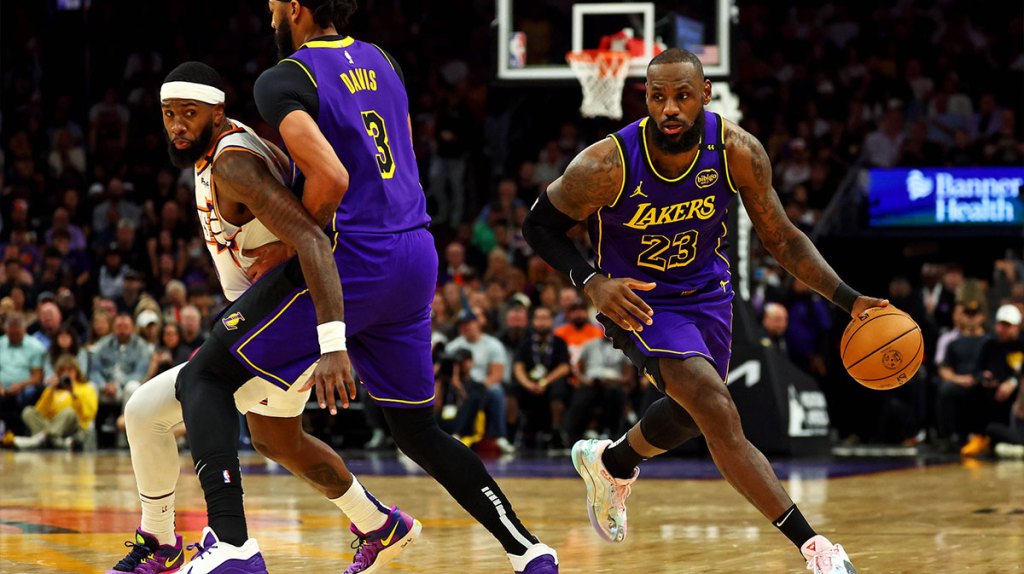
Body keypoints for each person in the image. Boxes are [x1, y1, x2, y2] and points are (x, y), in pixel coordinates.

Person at [522, 48, 887, 574]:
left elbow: (783, 239)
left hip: (709, 294)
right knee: (716, 408)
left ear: (705, 95)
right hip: (639, 300)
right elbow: (539, 226)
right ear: (644, 97)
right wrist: (593, 282)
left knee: (694, 414)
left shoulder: (738, 151)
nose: (669, 107)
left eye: (682, 96)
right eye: (657, 96)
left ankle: (612, 462)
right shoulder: (606, 163)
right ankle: (816, 549)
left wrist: (850, 301)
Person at [236, 2, 556, 572]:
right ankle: (527, 549)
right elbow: (403, 150)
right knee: (417, 429)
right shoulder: (384, 59)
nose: (268, 16)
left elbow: (330, 177)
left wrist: (289, 243)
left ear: (296, 8)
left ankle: (211, 545)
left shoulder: (283, 78)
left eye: (273, 4)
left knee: (212, 370)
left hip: (356, 256)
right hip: (415, 250)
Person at [105, 62, 417, 574]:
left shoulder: (234, 164)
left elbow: (315, 238)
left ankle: (202, 543)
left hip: (280, 328)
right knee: (277, 440)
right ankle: (380, 525)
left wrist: (329, 338)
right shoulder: (220, 151)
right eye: (169, 115)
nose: (178, 125)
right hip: (265, 323)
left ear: (217, 113)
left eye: (189, 113)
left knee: (163, 402)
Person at [8, 354, 97, 450]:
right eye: (62, 371)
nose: (66, 374)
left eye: (70, 370)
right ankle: (56, 441)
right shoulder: (53, 389)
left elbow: (88, 414)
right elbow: (40, 411)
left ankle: (40, 438)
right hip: (52, 424)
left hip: (74, 426)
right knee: (28, 411)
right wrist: (50, 390)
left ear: (77, 372)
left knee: (68, 412)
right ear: (58, 373)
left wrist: (73, 393)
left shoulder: (86, 388)